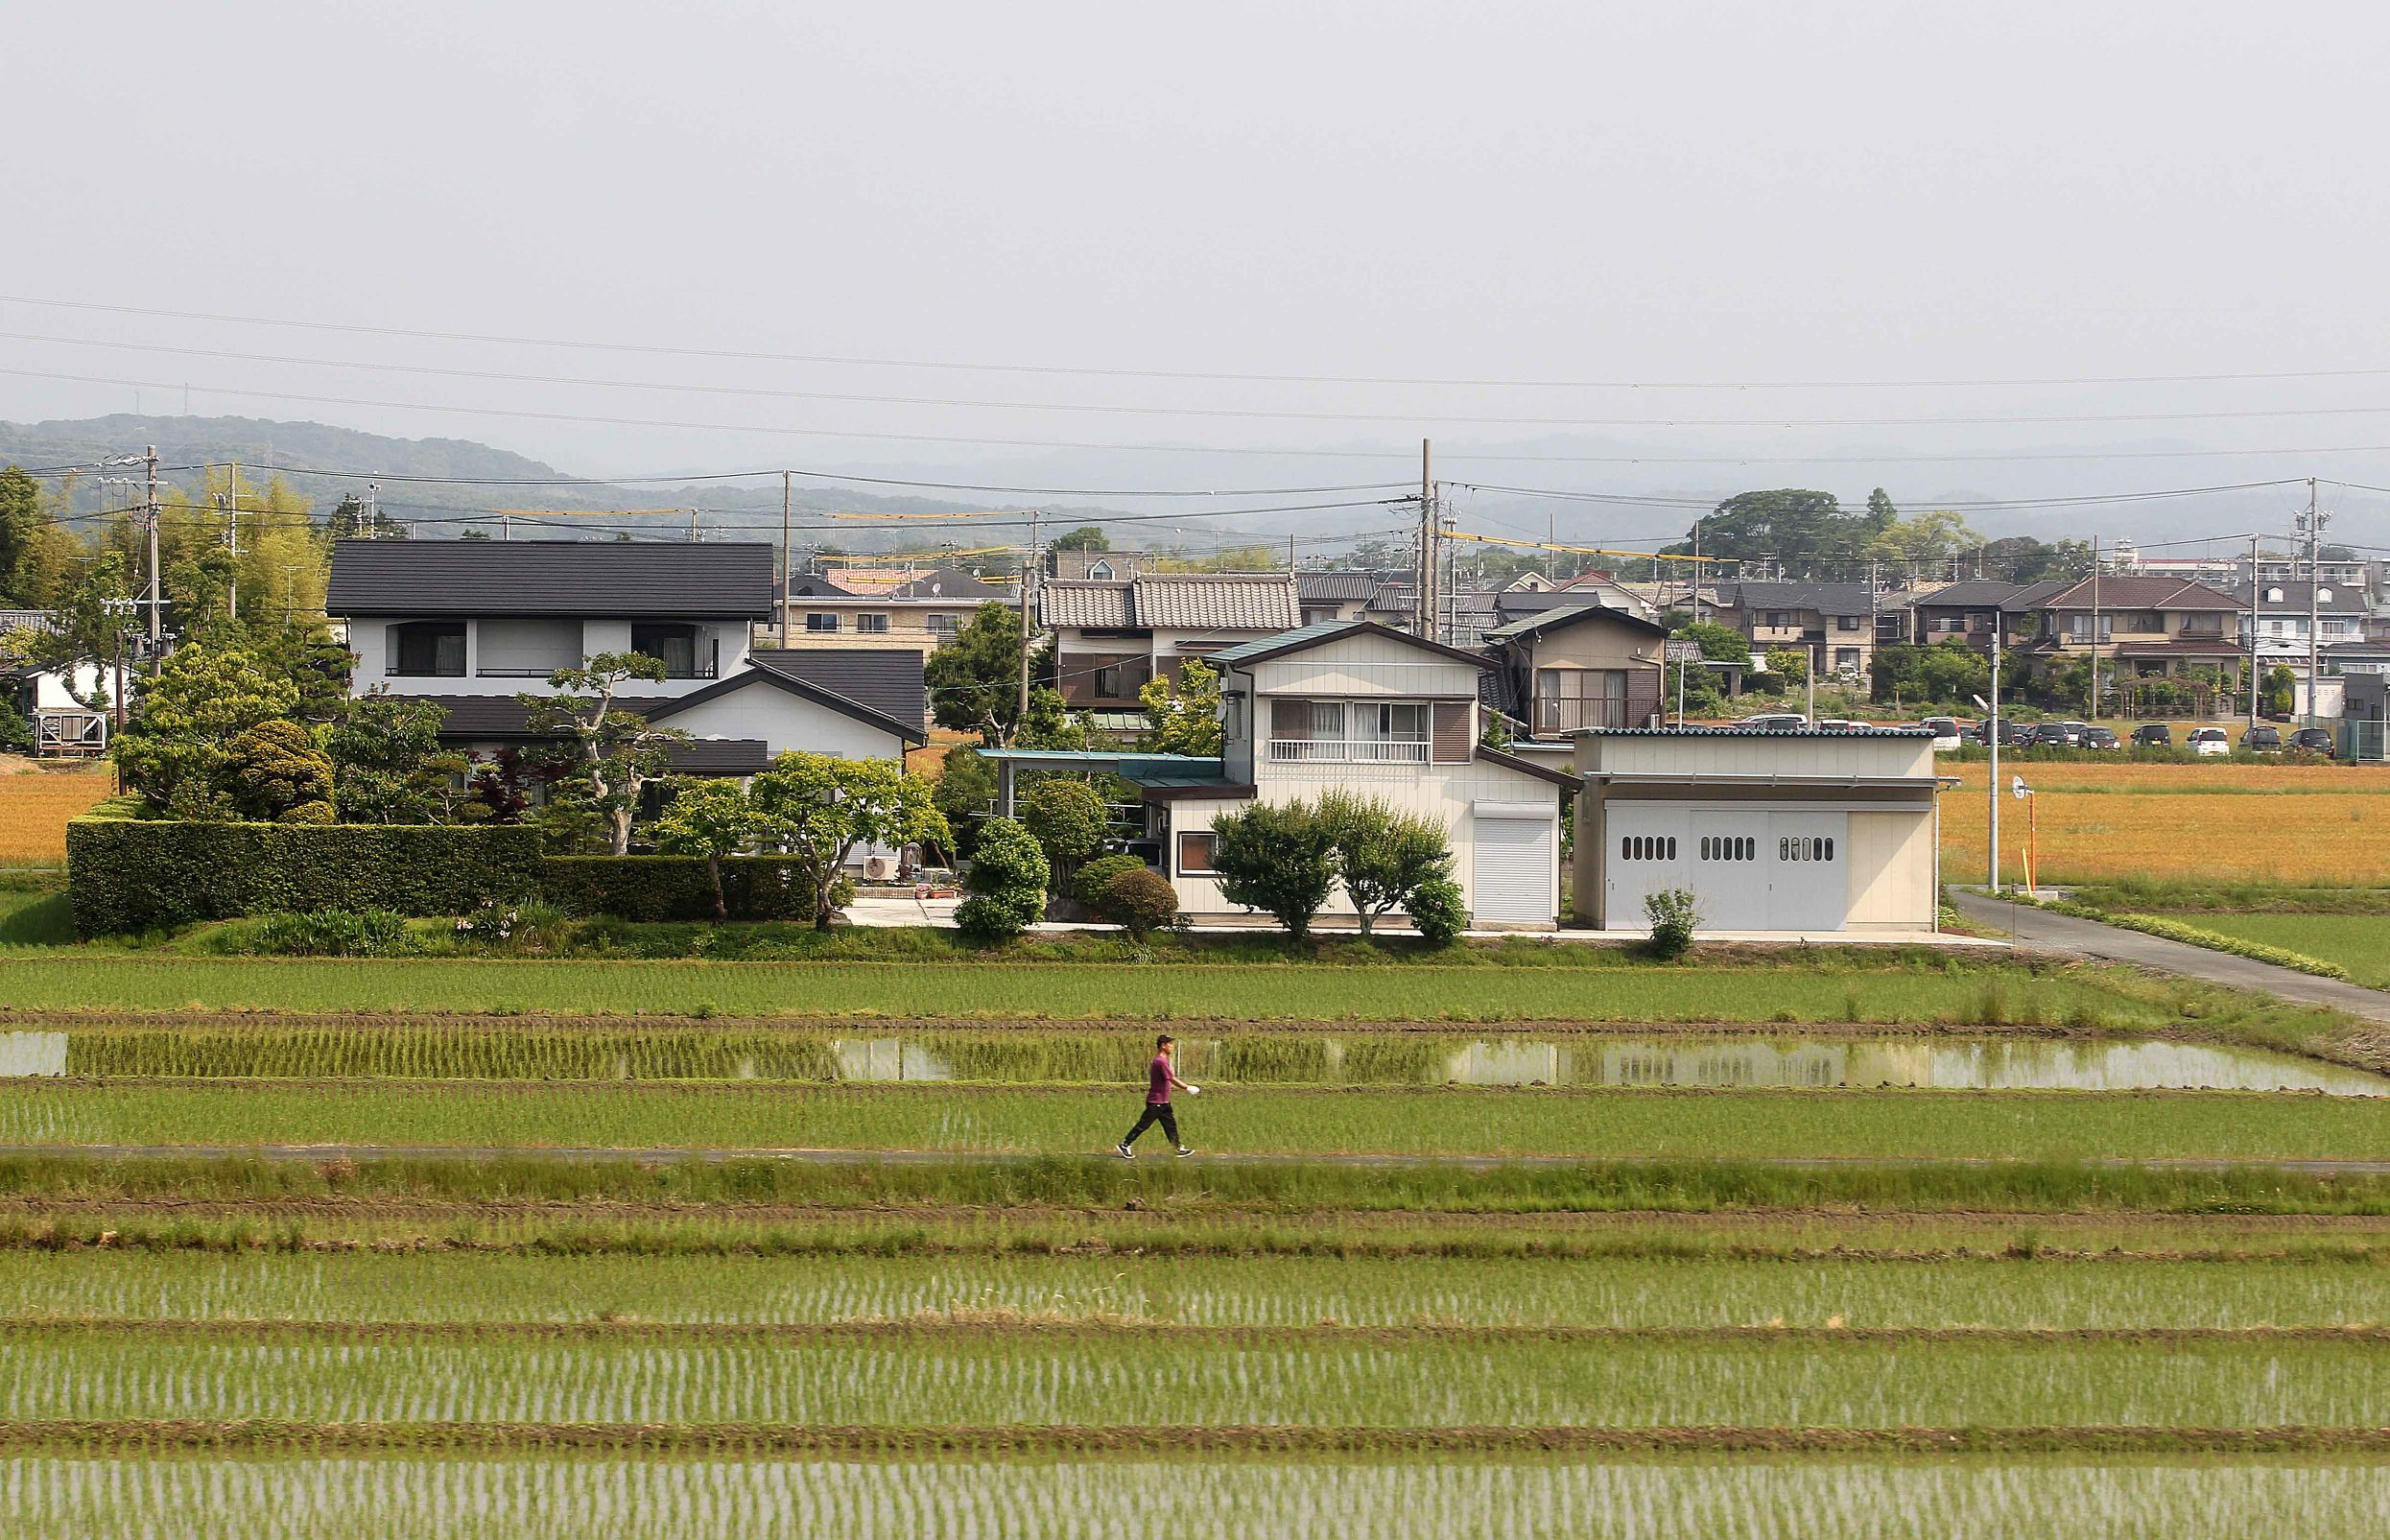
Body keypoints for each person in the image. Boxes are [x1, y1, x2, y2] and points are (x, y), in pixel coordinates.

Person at [1117, 1033, 1196, 1158]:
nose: (1172, 1046)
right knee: (1144, 1124)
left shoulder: (1162, 1060)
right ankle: (1125, 1144)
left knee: (1170, 1125)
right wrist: (1187, 1088)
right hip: (1156, 1101)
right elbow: (1171, 1078)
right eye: (1169, 1044)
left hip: (1164, 1101)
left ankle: (1177, 1148)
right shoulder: (1160, 1061)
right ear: (1163, 1046)